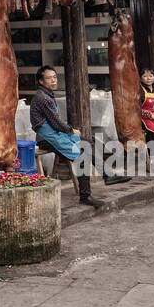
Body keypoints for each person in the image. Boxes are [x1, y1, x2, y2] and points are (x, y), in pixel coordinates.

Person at [30, 66, 97, 205]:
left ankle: (108, 176)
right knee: (82, 154)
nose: (53, 80)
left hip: (55, 133)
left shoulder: (48, 94)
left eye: (54, 77)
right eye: (49, 78)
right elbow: (55, 122)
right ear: (41, 81)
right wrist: (71, 130)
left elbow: (55, 123)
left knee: (88, 142)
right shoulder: (42, 98)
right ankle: (85, 196)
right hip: (46, 137)